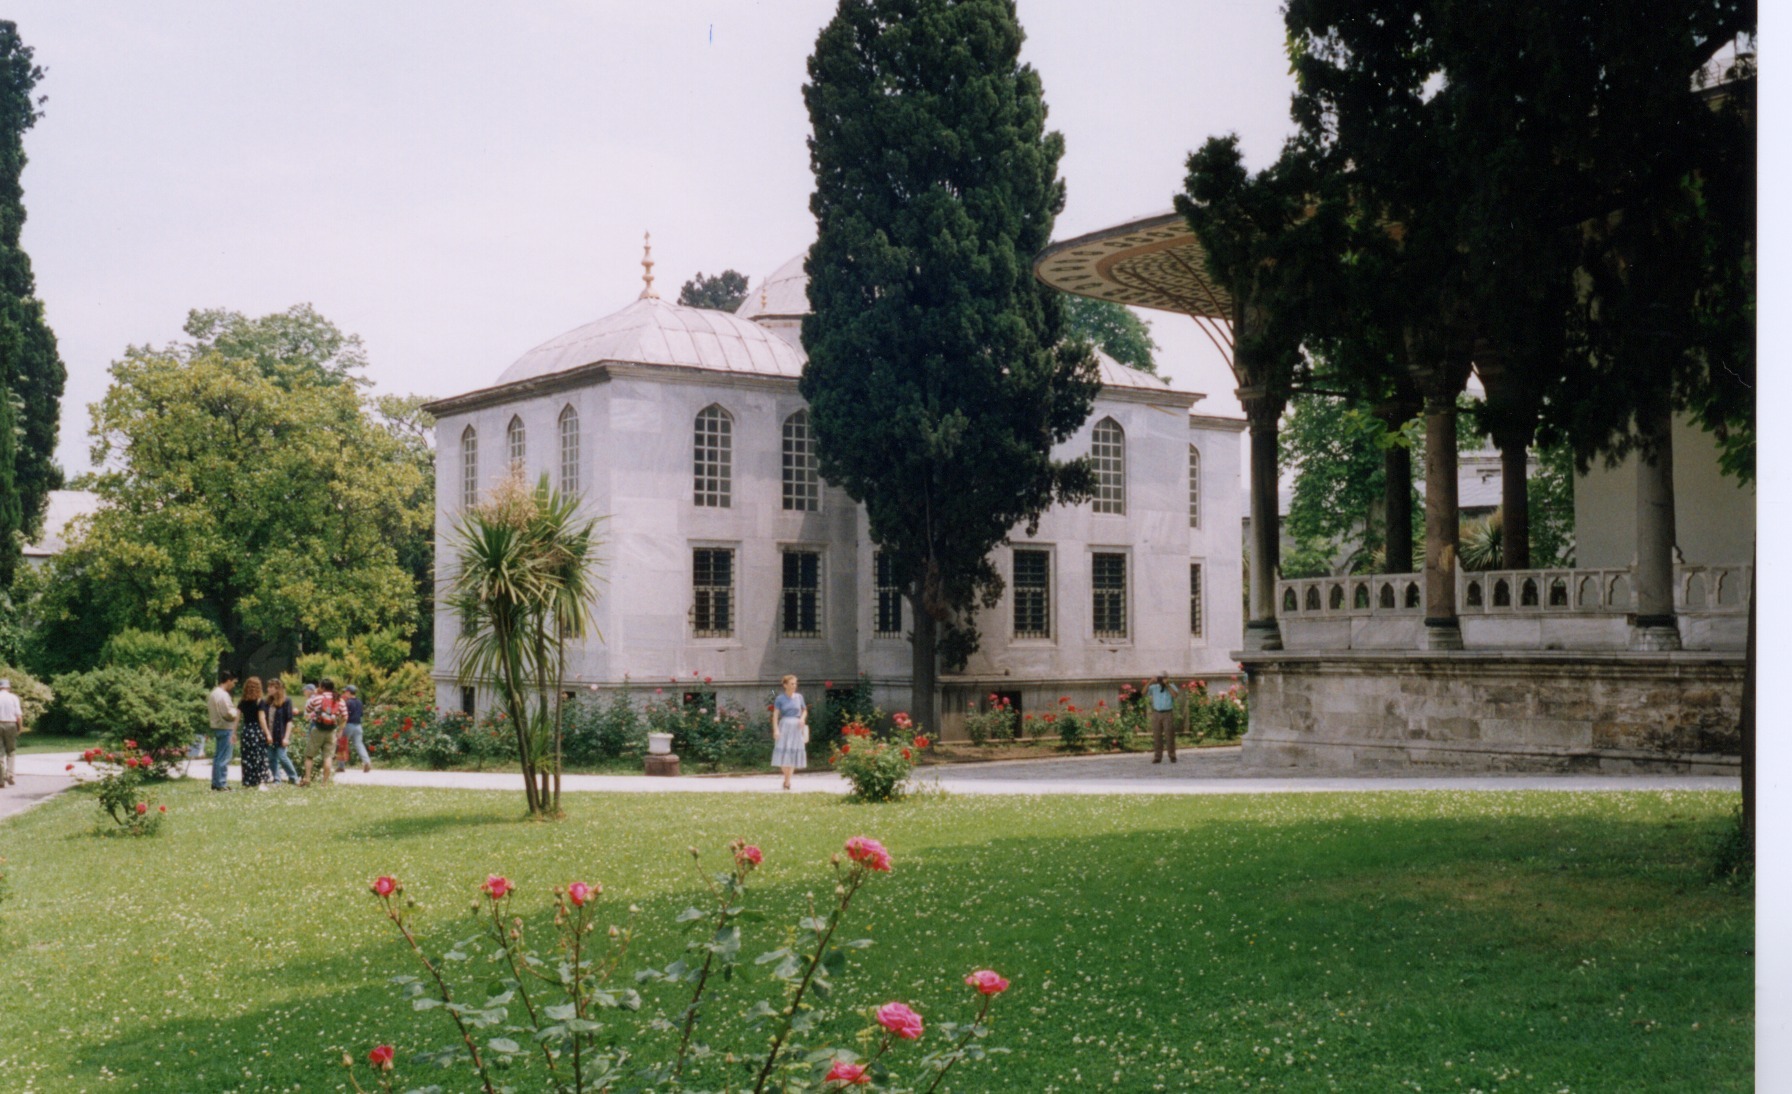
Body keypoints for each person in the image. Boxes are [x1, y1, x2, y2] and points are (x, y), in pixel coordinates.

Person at [301, 678, 344, 787]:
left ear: (322, 687)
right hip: (331, 731)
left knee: (309, 755)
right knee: (328, 756)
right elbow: (345, 715)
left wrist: (316, 695)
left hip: (318, 729)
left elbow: (308, 709)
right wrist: (340, 729)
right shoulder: (339, 699)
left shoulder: (318, 698)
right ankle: (324, 783)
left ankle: (307, 778)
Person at [769, 673, 809, 791]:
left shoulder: (799, 697)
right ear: (785, 685)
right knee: (782, 753)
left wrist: (802, 718)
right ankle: (787, 779)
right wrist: (776, 729)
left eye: (795, 683)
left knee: (792, 755)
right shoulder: (780, 698)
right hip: (784, 727)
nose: (794, 686)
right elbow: (775, 715)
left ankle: (787, 781)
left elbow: (804, 710)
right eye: (792, 684)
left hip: (796, 727)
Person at [237, 677, 273, 790]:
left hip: (246, 731)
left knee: (247, 757)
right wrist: (267, 733)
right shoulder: (260, 702)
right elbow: (262, 719)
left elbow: (237, 719)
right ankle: (261, 781)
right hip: (257, 731)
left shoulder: (242, 702)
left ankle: (248, 781)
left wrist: (233, 733)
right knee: (260, 756)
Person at [263, 678, 300, 785]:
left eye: (271, 687)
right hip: (269, 734)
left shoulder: (286, 701)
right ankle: (277, 779)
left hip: (281, 734)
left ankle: (294, 777)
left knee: (282, 756)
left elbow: (289, 720)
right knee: (271, 758)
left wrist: (286, 737)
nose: (268, 689)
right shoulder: (267, 702)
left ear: (277, 689)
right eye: (268, 686)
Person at [208, 671, 241, 791]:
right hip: (225, 727)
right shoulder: (223, 695)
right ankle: (221, 783)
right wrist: (237, 713)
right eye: (233, 682)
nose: (234, 685)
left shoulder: (214, 693)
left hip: (217, 726)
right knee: (224, 757)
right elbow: (228, 713)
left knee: (218, 757)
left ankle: (216, 782)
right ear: (228, 681)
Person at [1146, 672, 1180, 764]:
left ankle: (1172, 756)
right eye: (1161, 678)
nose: (1162, 680)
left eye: (1164, 678)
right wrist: (1150, 681)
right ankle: (1157, 757)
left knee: (1170, 736)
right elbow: (1143, 692)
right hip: (1156, 713)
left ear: (1168, 678)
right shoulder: (1154, 687)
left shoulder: (1171, 685)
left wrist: (1168, 684)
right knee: (1157, 736)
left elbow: (1175, 695)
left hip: (1167, 713)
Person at [341, 684, 370, 774]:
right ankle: (366, 762)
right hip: (358, 725)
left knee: (343, 744)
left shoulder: (348, 702)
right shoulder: (359, 702)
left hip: (348, 725)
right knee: (359, 744)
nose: (345, 693)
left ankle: (341, 766)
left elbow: (344, 715)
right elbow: (361, 714)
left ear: (349, 692)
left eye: (345, 691)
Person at [0, 678, 22, 788]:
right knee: (11, 751)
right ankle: (10, 775)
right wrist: (20, 727)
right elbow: (18, 715)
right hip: (11, 724)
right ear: (8, 687)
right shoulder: (13, 697)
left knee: (0, 752)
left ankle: (0, 779)